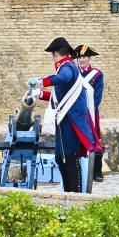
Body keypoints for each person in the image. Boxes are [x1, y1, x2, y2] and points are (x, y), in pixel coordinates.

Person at [34, 37, 98, 193]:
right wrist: (40, 93)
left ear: (56, 53)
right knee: (60, 158)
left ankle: (74, 194)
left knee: (68, 157)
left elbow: (63, 78)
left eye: (52, 54)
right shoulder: (67, 66)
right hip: (66, 120)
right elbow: (58, 99)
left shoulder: (66, 67)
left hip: (71, 121)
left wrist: (41, 82)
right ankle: (69, 192)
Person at [74, 44, 105, 183]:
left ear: (89, 58)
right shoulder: (73, 73)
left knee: (94, 139)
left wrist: (89, 111)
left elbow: (97, 96)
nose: (82, 59)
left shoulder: (97, 74)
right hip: (75, 112)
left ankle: (97, 171)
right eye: (79, 57)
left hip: (91, 112)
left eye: (84, 56)